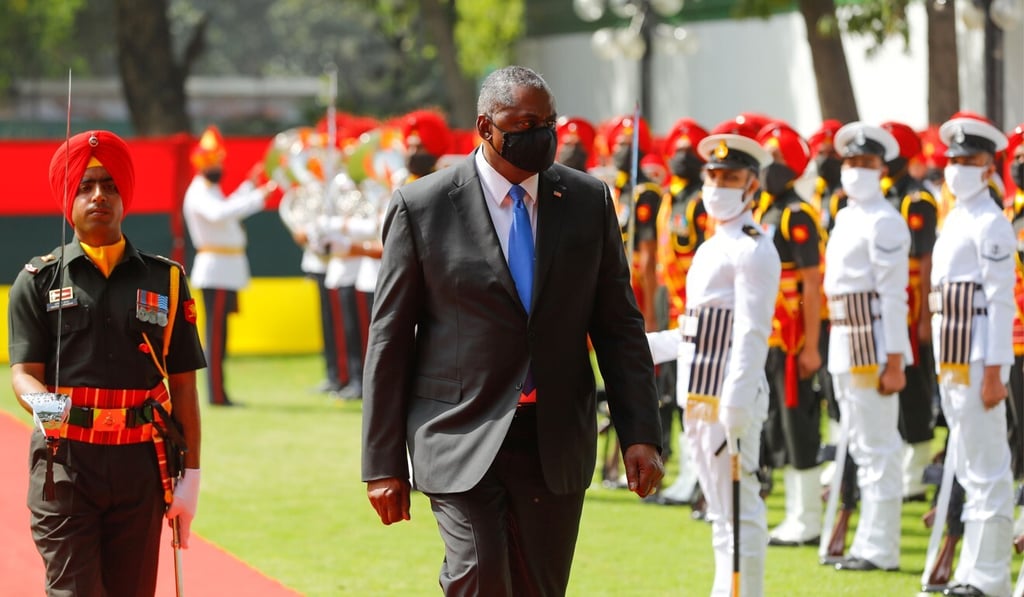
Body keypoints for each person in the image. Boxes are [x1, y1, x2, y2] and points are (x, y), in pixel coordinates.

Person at [361, 65, 665, 596]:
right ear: (485, 127)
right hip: (458, 431)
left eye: (549, 121)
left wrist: (639, 432)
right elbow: (389, 341)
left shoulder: (587, 202)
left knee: (538, 589)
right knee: (479, 579)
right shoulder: (422, 207)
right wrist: (382, 462)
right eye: (524, 122)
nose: (542, 134)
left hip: (554, 440)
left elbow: (619, 327)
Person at [8, 130, 206, 595]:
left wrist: (191, 478)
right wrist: (46, 406)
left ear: (125, 197)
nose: (99, 195)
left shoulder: (167, 281)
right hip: (65, 466)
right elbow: (22, 374)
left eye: (111, 185)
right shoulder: (36, 282)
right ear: (67, 198)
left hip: (140, 466)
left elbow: (183, 389)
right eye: (85, 186)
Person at [648, 133, 779, 595]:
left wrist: (738, 400)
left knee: (740, 513)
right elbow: (695, 331)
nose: (719, 186)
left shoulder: (753, 247)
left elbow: (750, 332)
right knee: (721, 515)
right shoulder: (710, 247)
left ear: (752, 186)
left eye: (732, 178)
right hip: (698, 397)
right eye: (714, 176)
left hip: (728, 399)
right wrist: (638, 348)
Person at [930, 115, 1014, 597]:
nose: (958, 168)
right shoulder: (957, 217)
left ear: (988, 167)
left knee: (988, 470)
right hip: (954, 360)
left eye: (969, 160)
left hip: (981, 360)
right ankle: (971, 571)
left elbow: (1000, 302)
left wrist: (996, 371)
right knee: (969, 465)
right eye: (953, 159)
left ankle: (990, 577)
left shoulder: (992, 222)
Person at [823, 122, 911, 572]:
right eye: (851, 163)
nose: (856, 170)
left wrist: (895, 360)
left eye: (867, 164)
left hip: (873, 344)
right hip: (844, 337)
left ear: (883, 169)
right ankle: (868, 542)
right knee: (859, 444)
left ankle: (881, 547)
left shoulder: (886, 221)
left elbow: (895, 297)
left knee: (878, 447)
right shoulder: (846, 216)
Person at [754, 121, 826, 547]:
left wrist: (813, 345)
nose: (769, 167)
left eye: (777, 160)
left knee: (799, 424)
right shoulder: (768, 211)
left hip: (796, 338)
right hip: (771, 337)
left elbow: (813, 284)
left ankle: (808, 517)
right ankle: (795, 512)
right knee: (777, 422)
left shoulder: (798, 213)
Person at [183, 125, 274, 406]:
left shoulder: (210, 189)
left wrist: (250, 185)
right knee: (216, 334)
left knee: (221, 334)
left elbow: (227, 205)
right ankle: (217, 394)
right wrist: (259, 197)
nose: (219, 167)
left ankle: (219, 392)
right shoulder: (199, 191)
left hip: (226, 269)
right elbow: (221, 213)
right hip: (217, 269)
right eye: (214, 162)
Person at [881, 121, 939, 502]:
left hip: (912, 308)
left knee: (916, 388)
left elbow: (926, 260)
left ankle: (918, 468)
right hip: (890, 310)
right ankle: (906, 461)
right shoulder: (888, 195)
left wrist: (924, 319)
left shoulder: (916, 200)